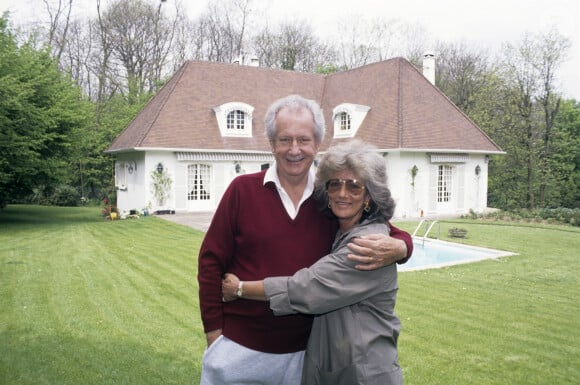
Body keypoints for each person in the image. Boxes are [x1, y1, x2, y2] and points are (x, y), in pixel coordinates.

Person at [198, 95, 413, 385]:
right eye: (285, 140)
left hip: (303, 355)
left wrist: (402, 246)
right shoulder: (242, 191)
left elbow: (379, 225)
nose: (294, 150)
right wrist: (214, 334)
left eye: (304, 140)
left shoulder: (330, 199)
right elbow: (210, 262)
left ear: (317, 145)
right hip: (239, 348)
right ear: (272, 144)